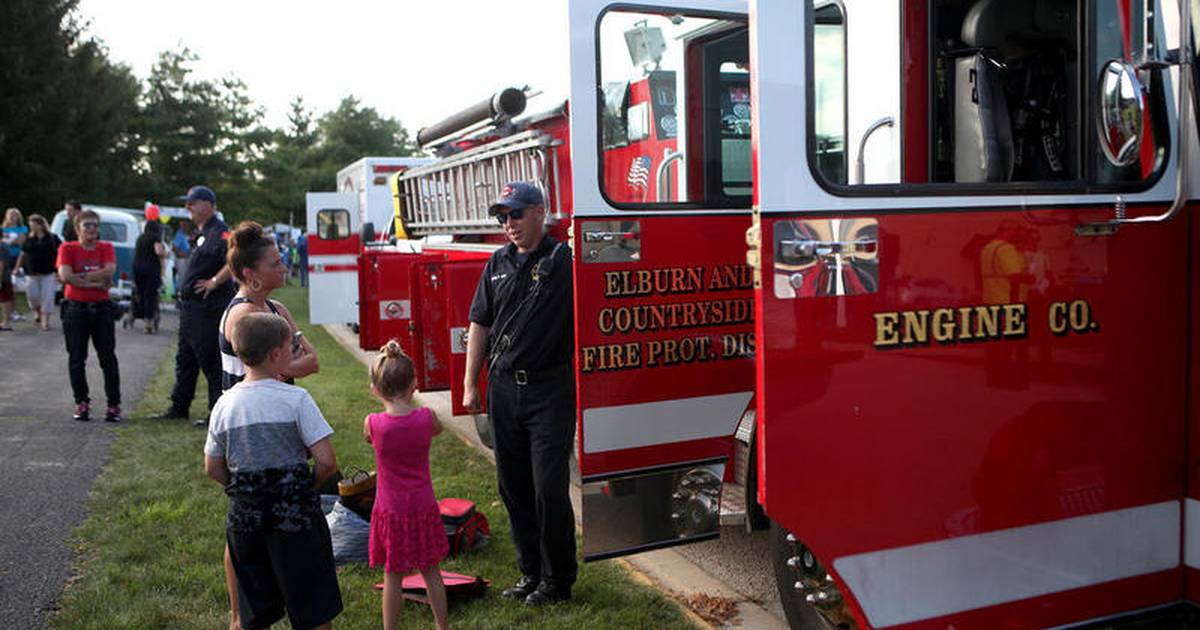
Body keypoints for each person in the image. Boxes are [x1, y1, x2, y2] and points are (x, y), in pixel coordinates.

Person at [462, 182, 576, 605]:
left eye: (515, 214)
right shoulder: (496, 263)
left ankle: (558, 580)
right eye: (502, 217)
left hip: (550, 390)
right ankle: (530, 573)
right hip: (504, 389)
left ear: (539, 212)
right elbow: (480, 324)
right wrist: (469, 382)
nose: (508, 224)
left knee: (548, 487)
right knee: (513, 486)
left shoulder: (564, 260)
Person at [203, 312, 343, 630]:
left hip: (245, 519)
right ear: (276, 354)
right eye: (290, 348)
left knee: (252, 609)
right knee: (313, 607)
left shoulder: (224, 405)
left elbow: (212, 466)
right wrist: (308, 487)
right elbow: (326, 462)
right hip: (295, 517)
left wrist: (240, 488)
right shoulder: (296, 400)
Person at [217, 220, 320, 629]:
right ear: (251, 274)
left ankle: (283, 600)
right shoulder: (241, 315)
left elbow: (310, 360)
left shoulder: (277, 310)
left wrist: (286, 365)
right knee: (242, 526)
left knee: (278, 522)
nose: (284, 269)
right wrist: (288, 366)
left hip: (281, 419)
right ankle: (239, 615)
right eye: (276, 264)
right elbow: (278, 370)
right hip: (246, 426)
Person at [365, 340, 451, 630]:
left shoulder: (373, 423)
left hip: (390, 511)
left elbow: (370, 438)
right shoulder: (427, 418)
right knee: (431, 570)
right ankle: (442, 626)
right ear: (414, 384)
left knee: (393, 574)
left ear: (376, 389)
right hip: (423, 505)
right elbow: (436, 430)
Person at [158, 185, 235, 425]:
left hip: (208, 308)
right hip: (190, 309)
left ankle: (216, 411)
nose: (187, 207)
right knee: (186, 359)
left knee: (210, 360)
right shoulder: (200, 234)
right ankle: (179, 406)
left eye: (193, 202)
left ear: (209, 204)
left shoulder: (220, 232)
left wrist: (215, 281)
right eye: (187, 203)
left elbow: (235, 258)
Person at [56, 209, 121, 422]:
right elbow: (65, 275)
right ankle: (81, 402)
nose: (92, 229)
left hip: (101, 309)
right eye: (87, 225)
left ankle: (113, 405)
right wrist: (94, 282)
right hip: (75, 310)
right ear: (78, 229)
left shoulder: (106, 247)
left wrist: (79, 277)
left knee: (108, 358)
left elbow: (109, 271)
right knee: (76, 359)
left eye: (95, 225)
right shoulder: (67, 248)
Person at [14, 214, 62, 330]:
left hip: (48, 272)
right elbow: (23, 254)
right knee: (32, 296)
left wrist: (59, 270)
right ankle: (37, 311)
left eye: (34, 225)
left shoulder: (52, 238)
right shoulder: (28, 239)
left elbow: (61, 253)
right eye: (31, 225)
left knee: (47, 297)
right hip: (32, 272)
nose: (32, 228)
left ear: (41, 225)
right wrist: (17, 267)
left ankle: (45, 321)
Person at [129, 221, 167, 334]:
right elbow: (158, 251)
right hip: (151, 269)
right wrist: (165, 254)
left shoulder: (140, 238)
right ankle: (148, 323)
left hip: (137, 268)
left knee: (139, 294)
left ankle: (134, 314)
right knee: (150, 295)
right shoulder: (156, 238)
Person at [1, 207, 29, 328]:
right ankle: (10, 312)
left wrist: (8, 240)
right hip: (4, 258)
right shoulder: (2, 228)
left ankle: (13, 311)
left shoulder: (22, 228)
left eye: (15, 215)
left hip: (17, 257)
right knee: (9, 285)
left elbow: (20, 242)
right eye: (10, 215)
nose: (12, 217)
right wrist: (11, 240)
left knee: (15, 285)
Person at [172, 219, 193, 295]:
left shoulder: (187, 235)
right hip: (181, 260)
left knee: (184, 278)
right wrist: (184, 255)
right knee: (182, 278)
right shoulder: (180, 234)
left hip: (186, 260)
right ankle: (179, 293)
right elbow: (174, 247)